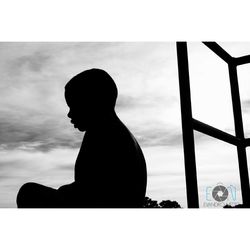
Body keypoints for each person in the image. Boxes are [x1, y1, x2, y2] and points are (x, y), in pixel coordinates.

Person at [16, 68, 147, 208]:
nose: (69, 114)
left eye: (74, 106)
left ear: (93, 102)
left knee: (28, 192)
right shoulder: (111, 131)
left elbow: (93, 192)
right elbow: (90, 186)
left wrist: (62, 193)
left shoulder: (104, 133)